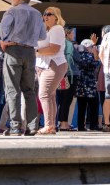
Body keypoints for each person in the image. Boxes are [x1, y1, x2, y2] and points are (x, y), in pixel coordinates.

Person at [0, 0, 47, 136]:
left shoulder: (12, 10)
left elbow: (2, 29)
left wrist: (5, 40)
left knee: (13, 89)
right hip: (30, 52)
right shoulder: (37, 13)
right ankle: (32, 126)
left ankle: (15, 126)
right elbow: (42, 36)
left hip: (14, 49)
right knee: (29, 90)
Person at [35, 7, 69, 135]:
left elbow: (53, 49)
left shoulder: (57, 29)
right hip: (43, 65)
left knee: (44, 95)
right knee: (50, 96)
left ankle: (49, 125)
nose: (46, 16)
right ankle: (51, 126)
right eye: (44, 14)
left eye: (49, 14)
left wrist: (36, 51)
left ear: (56, 17)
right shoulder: (46, 30)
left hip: (53, 64)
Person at [74, 39, 100, 131]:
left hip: (80, 85)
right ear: (89, 47)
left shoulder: (77, 55)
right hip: (90, 85)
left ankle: (80, 126)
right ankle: (93, 125)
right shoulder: (89, 56)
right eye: (92, 47)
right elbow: (96, 64)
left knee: (81, 107)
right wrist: (95, 54)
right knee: (93, 106)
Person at [57, 27, 78, 132]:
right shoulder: (70, 45)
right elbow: (75, 59)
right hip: (70, 75)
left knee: (60, 100)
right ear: (67, 34)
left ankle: (59, 122)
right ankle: (64, 124)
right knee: (67, 100)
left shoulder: (59, 43)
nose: (73, 35)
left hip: (59, 73)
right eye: (72, 33)